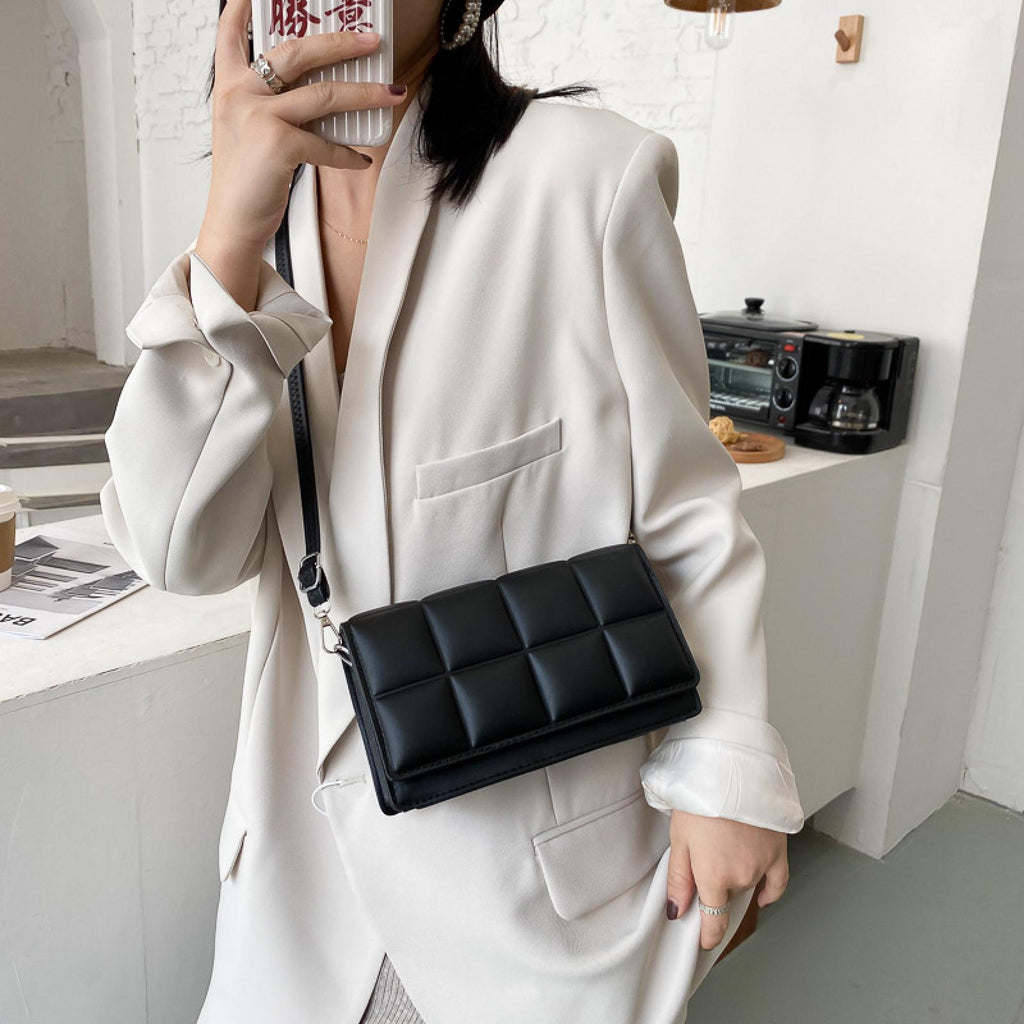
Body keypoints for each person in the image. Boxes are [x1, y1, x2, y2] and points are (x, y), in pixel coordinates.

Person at [99, 0, 806, 1021]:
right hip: (303, 884)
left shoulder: (584, 178)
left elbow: (687, 513)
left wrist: (726, 762)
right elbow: (180, 553)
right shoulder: (251, 225)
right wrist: (226, 244)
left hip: (527, 884)